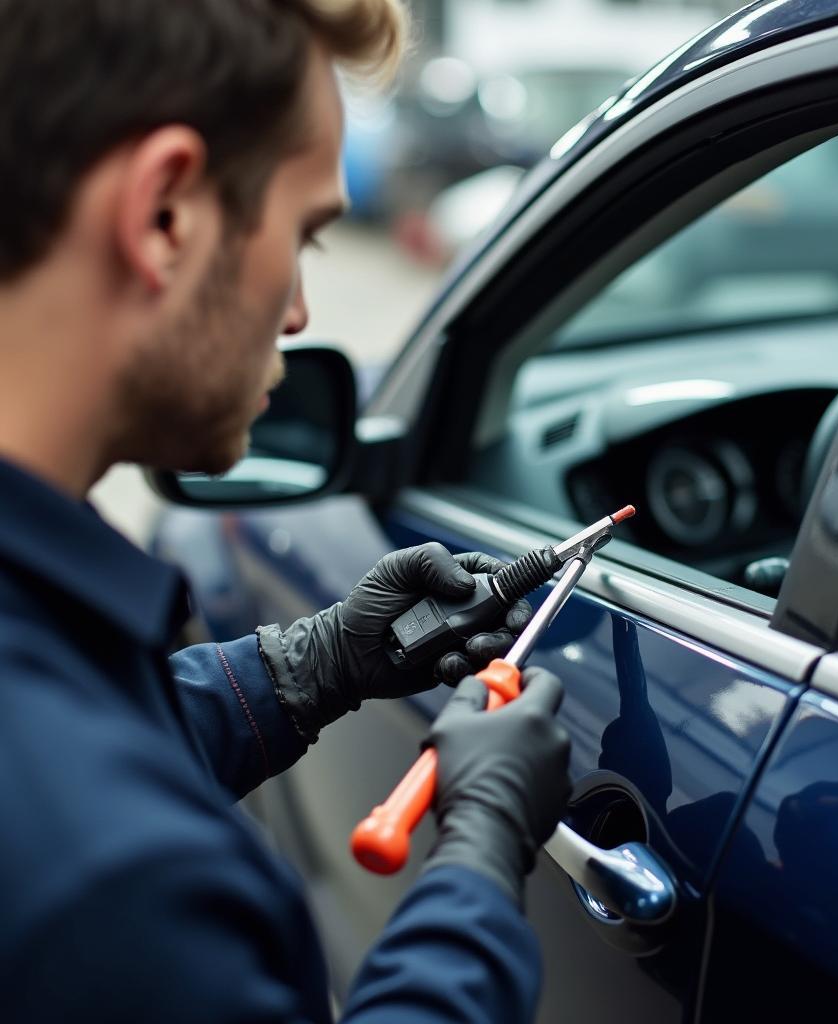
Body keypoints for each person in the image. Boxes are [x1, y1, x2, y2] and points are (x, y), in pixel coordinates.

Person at [0, 2, 572, 1022]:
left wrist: (311, 667)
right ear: (164, 214)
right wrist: (480, 856)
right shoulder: (110, 887)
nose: (302, 312)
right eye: (306, 234)